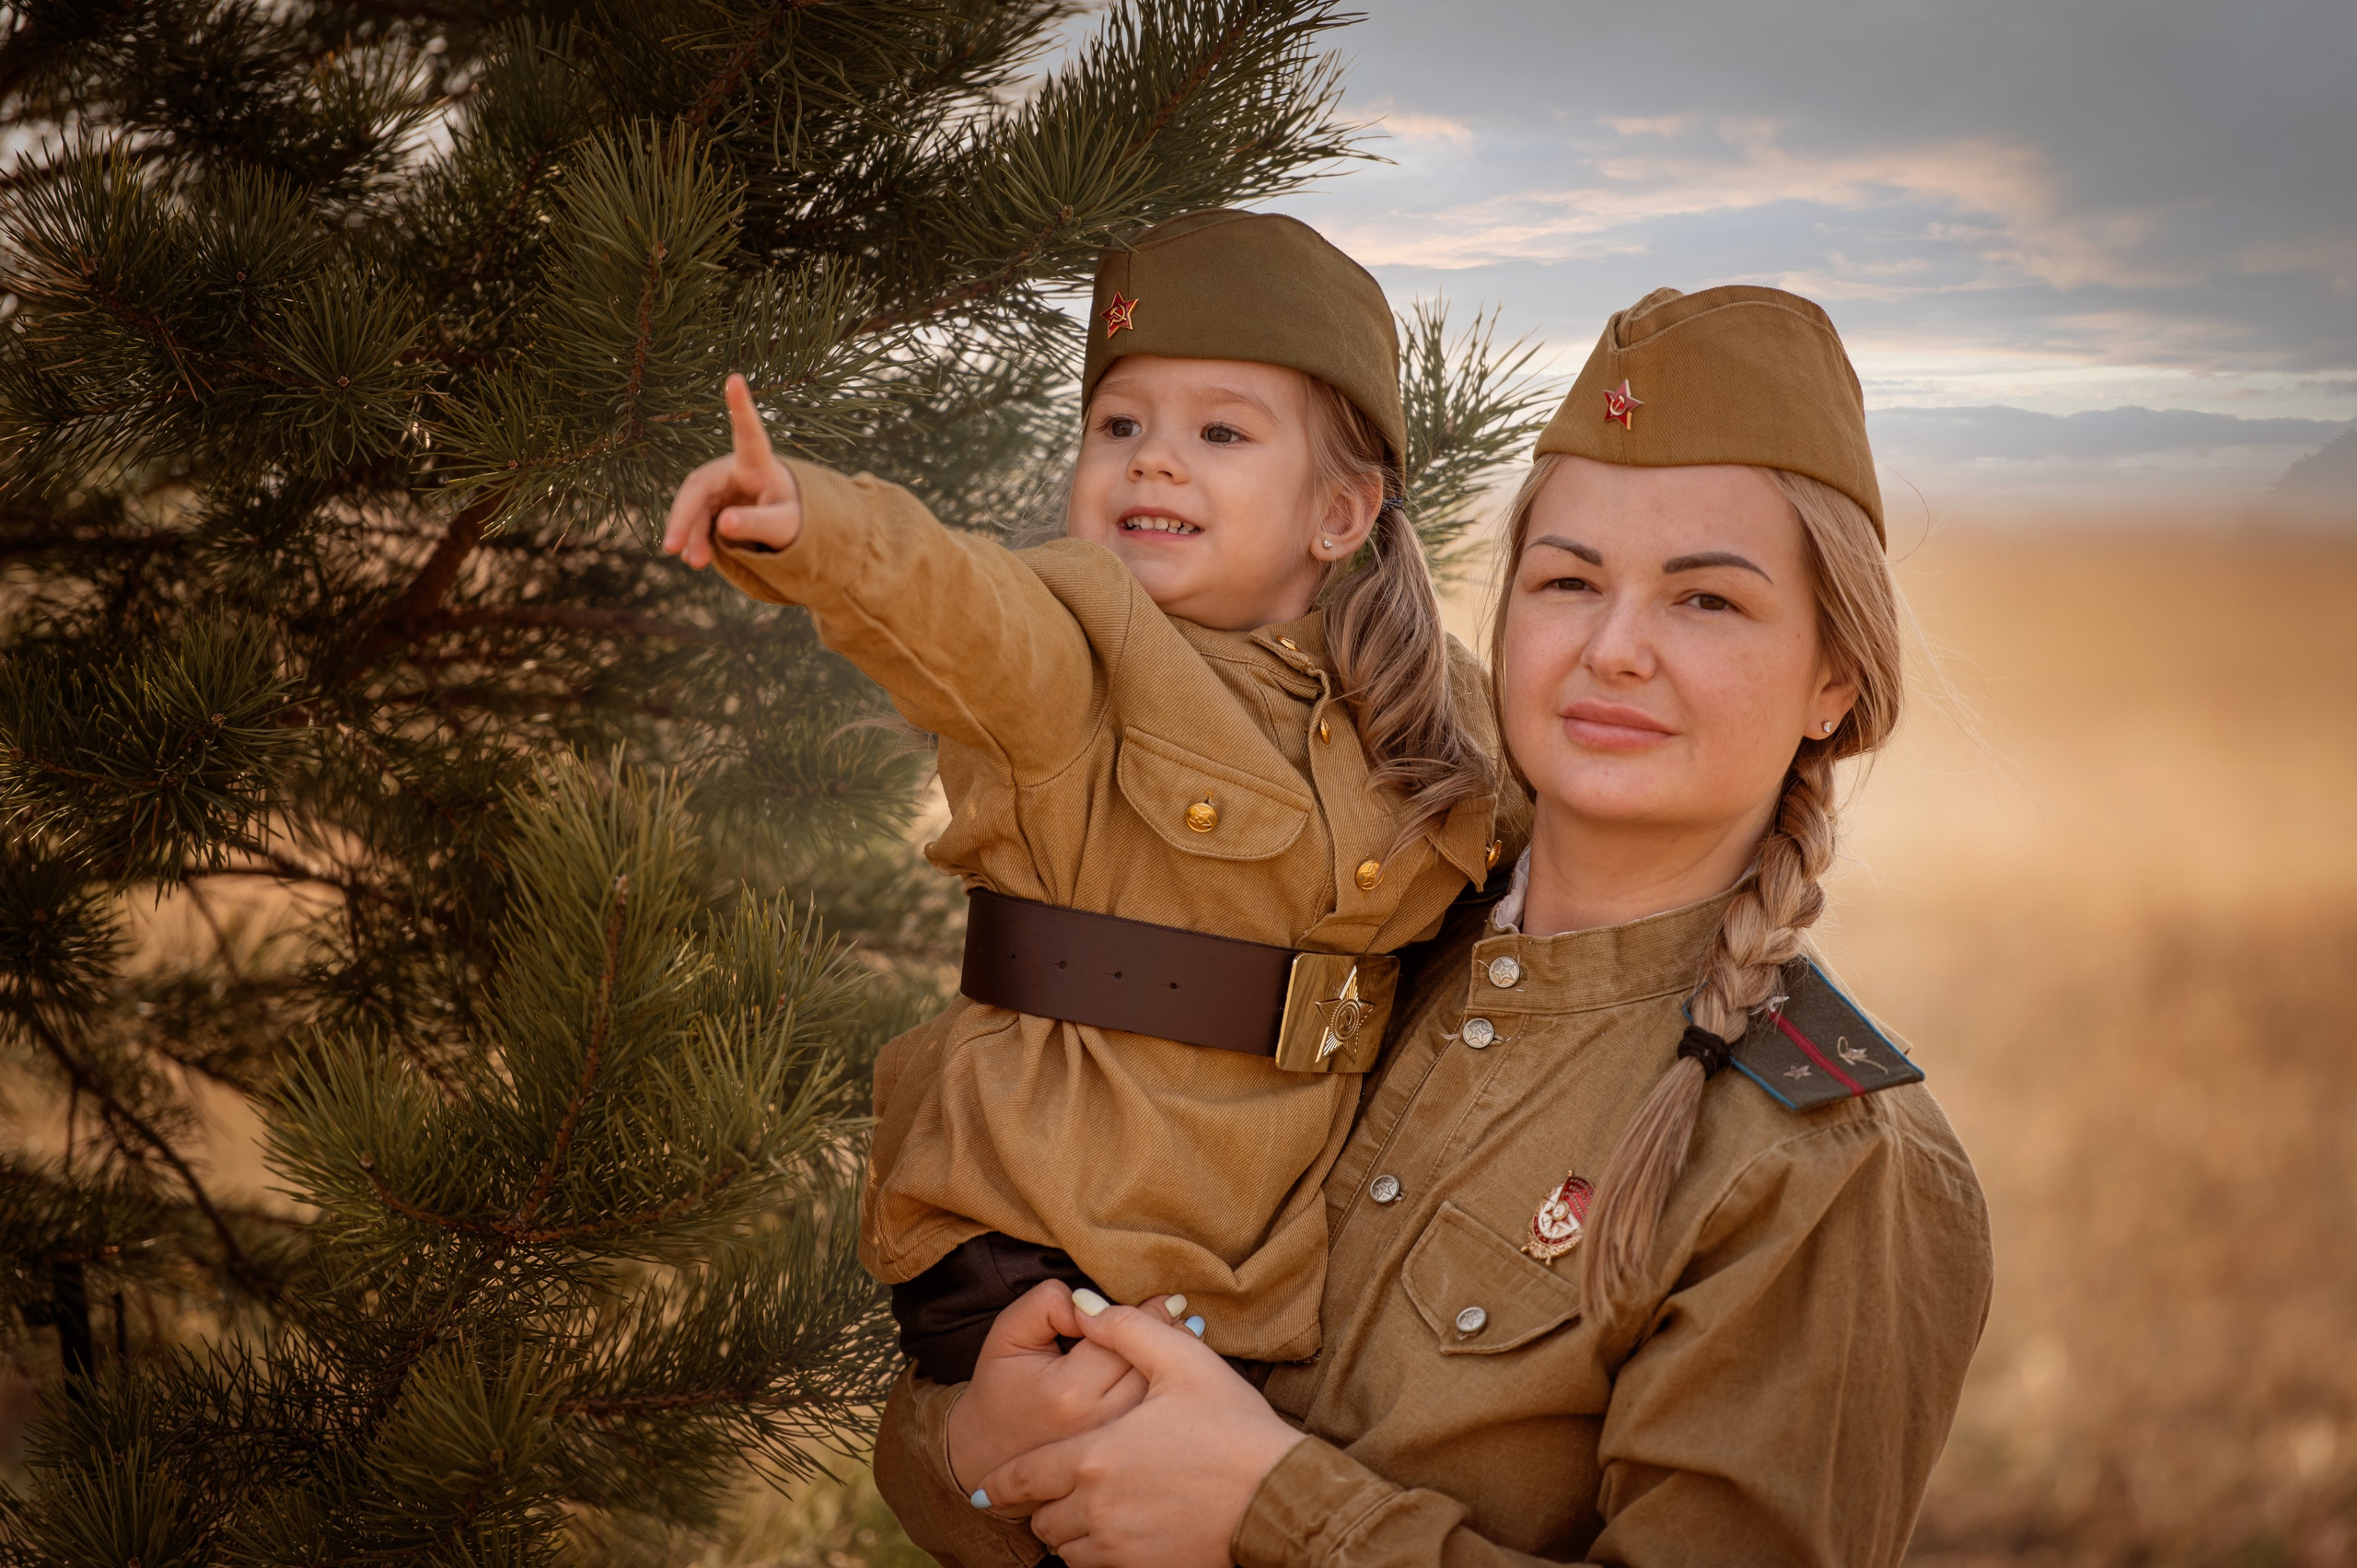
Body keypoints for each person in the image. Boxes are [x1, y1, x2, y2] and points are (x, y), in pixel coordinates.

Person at [886, 285, 1995, 1568]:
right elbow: (965, 1415)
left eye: (1707, 601)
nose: (1615, 649)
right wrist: (975, 1444)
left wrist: (1272, 1514)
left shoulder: (1831, 1167)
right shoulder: (1338, 941)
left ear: (1834, 681)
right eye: (1569, 579)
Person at [660, 209, 1517, 1504]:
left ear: (1340, 512)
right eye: (1119, 428)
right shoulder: (1082, 644)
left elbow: (1556, 843)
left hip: (1254, 1268)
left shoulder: (1429, 704)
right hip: (1046, 1243)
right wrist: (815, 530)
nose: (1152, 465)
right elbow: (959, 607)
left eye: (1219, 434)